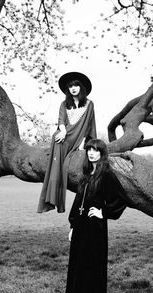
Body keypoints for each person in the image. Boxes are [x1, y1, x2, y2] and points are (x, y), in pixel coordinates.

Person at [64, 139, 128, 293]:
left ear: (102, 153)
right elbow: (78, 203)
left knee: (91, 264)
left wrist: (104, 212)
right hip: (80, 226)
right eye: (89, 150)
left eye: (95, 150)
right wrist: (72, 226)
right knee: (76, 265)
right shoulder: (85, 175)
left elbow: (120, 199)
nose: (91, 153)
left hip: (95, 228)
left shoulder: (107, 175)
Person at [37, 72, 96, 213]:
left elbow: (90, 125)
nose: (73, 88)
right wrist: (62, 131)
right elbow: (61, 120)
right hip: (62, 137)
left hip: (76, 137)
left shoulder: (89, 104)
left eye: (76, 85)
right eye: (70, 86)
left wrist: (86, 143)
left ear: (81, 87)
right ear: (67, 89)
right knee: (57, 166)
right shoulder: (64, 104)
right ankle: (51, 199)